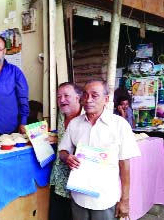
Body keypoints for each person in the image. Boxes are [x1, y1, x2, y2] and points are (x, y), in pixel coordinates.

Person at [59, 80, 140, 220]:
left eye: (94, 95)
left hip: (105, 198)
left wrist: (125, 200)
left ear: (106, 99)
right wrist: (67, 157)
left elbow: (124, 164)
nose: (88, 100)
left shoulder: (119, 125)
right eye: (85, 95)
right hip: (79, 195)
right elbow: (62, 151)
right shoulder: (75, 124)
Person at [48, 82, 82, 220]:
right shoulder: (62, 116)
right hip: (59, 181)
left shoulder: (86, 117)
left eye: (66, 96)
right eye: (59, 97)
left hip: (78, 183)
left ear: (78, 98)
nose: (62, 100)